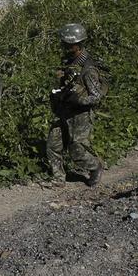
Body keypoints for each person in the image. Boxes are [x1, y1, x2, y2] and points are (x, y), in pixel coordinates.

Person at [46, 23, 103, 186]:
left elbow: (96, 97)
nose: (63, 46)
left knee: (76, 148)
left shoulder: (88, 68)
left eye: (66, 44)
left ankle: (95, 167)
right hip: (64, 110)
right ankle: (58, 178)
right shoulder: (68, 62)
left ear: (76, 45)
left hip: (80, 115)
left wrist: (77, 99)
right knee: (53, 144)